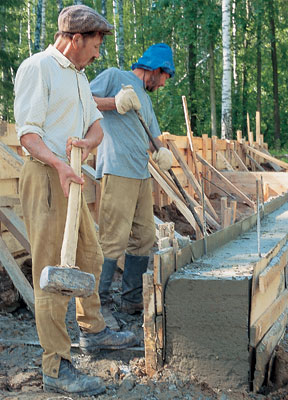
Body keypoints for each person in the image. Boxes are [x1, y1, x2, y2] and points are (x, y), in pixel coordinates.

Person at [14, 5, 137, 397]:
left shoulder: (80, 78)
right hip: (47, 175)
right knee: (51, 272)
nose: (98, 53)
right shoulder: (39, 68)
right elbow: (28, 136)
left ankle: (93, 332)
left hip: (72, 174)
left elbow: (96, 126)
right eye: (96, 44)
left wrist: (87, 144)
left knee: (90, 257)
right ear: (75, 39)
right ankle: (56, 366)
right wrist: (60, 164)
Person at [90, 43, 175, 321]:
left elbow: (153, 136)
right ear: (155, 69)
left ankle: (131, 301)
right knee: (113, 239)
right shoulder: (115, 77)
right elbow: (81, 99)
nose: (162, 84)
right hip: (117, 169)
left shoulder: (146, 100)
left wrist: (161, 152)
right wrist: (113, 103)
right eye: (164, 77)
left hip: (140, 174)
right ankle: (99, 305)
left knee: (144, 238)